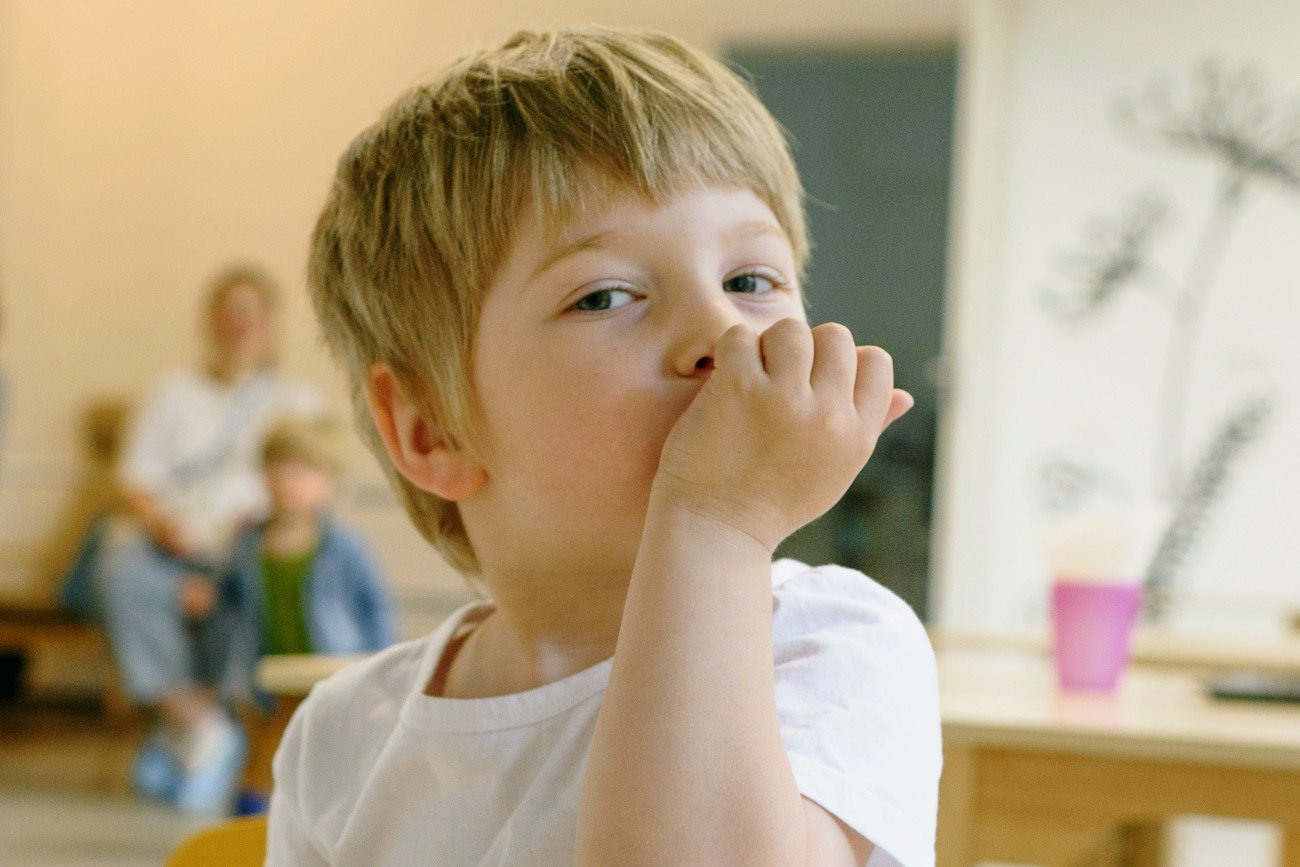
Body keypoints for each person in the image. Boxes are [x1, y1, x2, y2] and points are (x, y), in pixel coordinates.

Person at [272, 26, 941, 866]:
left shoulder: (831, 645)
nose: (722, 332)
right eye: (606, 296)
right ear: (430, 426)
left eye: (750, 280)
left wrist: (715, 526)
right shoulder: (340, 736)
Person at [95, 264, 322, 813]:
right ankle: (196, 721)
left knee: (249, 583)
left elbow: (309, 486)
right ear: (211, 321)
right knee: (118, 570)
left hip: (249, 545)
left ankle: (195, 737)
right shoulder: (171, 392)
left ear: (269, 324)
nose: (240, 325)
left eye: (252, 313)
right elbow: (137, 480)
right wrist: (165, 530)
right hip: (170, 543)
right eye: (230, 312)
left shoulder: (296, 403)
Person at [223, 412, 398, 705]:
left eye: (303, 472)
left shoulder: (346, 549)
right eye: (280, 470)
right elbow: (229, 605)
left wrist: (384, 683)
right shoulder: (246, 547)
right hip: (270, 689)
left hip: (337, 683)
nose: (290, 483)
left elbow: (378, 616)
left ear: (328, 480)